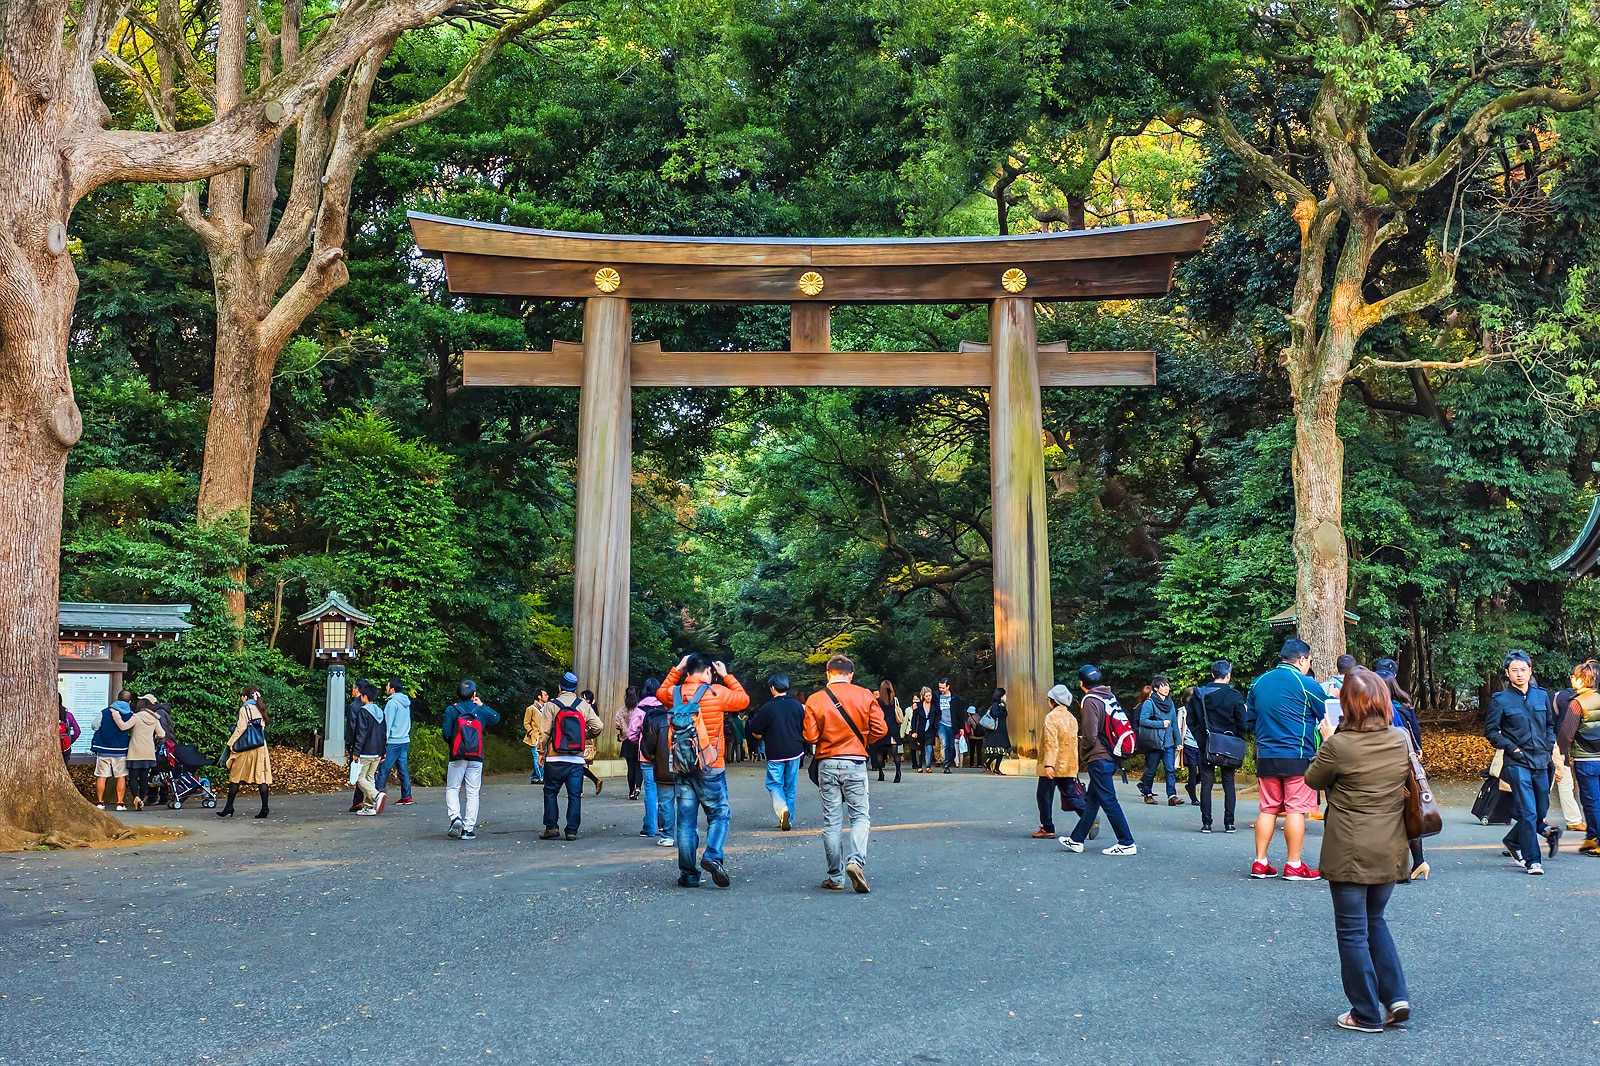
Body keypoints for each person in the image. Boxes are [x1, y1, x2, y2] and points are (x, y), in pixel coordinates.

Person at [1304, 667, 1413, 1033]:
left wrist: (1327, 736)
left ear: (1347, 705)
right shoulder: (1400, 739)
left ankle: (1365, 1013)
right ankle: (1396, 997)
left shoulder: (1339, 745)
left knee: (1352, 931)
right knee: (1375, 920)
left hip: (1349, 849)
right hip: (1390, 847)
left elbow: (1312, 779)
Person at [656, 654, 749, 887]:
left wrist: (676, 669)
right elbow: (743, 700)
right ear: (708, 671)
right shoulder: (716, 692)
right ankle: (712, 856)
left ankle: (688, 875)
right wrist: (726, 675)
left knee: (686, 822)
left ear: (687, 671)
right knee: (719, 814)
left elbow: (660, 692)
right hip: (711, 766)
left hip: (682, 766)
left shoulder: (674, 694)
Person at [1244, 638, 1327, 880]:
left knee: (1268, 808)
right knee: (1296, 809)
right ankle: (1294, 864)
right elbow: (1326, 715)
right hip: (1297, 756)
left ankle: (1260, 862)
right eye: (1309, 660)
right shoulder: (1306, 684)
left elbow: (1250, 721)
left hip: (1266, 756)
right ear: (1302, 660)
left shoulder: (1258, 683)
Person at [804, 654, 887, 892]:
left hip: (827, 762)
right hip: (855, 761)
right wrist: (861, 740)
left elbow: (809, 737)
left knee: (832, 821)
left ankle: (835, 877)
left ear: (828, 673)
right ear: (851, 674)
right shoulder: (865, 695)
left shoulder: (815, 699)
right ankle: (856, 862)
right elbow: (880, 728)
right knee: (860, 816)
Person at [1485, 650, 1561, 874]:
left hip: (1542, 761)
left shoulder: (1541, 696)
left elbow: (1549, 725)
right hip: (1517, 762)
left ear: (1530, 671)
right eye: (1515, 670)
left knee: (1539, 811)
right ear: (1507, 673)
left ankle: (1513, 840)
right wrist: (1513, 748)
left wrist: (1549, 744)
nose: (1520, 674)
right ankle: (1533, 860)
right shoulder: (1501, 700)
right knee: (1528, 812)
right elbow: (1491, 731)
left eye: (1523, 670)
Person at [1060, 664, 1137, 856]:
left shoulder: (1090, 700)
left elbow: (1090, 734)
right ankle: (1076, 839)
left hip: (1099, 757)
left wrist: (1083, 751)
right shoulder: (1108, 696)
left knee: (1109, 801)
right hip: (1110, 755)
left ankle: (1126, 842)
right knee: (1092, 800)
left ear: (1081, 683)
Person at [538, 673, 602, 840]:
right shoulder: (583, 705)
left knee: (550, 792)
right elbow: (598, 726)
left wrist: (540, 752)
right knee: (574, 795)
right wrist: (584, 735)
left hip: (554, 757)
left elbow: (544, 732)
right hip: (576, 760)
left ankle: (551, 827)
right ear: (575, 689)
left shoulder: (551, 706)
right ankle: (572, 830)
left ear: (560, 687)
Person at [1188, 660, 1247, 834]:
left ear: (1213, 674)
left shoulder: (1199, 695)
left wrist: (1201, 738)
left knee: (1207, 783)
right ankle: (1229, 823)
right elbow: (1242, 723)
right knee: (1229, 782)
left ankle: (1207, 823)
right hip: (1229, 743)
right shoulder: (1234, 695)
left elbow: (1190, 721)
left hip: (1207, 743)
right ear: (1228, 675)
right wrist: (1237, 738)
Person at [443, 680, 500, 840]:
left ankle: (455, 818)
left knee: (453, 788)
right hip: (476, 755)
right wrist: (482, 705)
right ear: (474, 694)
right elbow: (496, 718)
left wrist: (454, 744)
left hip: (457, 756)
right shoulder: (480, 710)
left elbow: (446, 733)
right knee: (473, 792)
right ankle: (468, 829)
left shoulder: (452, 709)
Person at [747, 675, 806, 829]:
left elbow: (754, 728)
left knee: (774, 783)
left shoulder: (768, 708)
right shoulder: (797, 706)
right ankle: (789, 819)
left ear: (772, 688)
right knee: (790, 787)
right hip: (795, 750)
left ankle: (782, 810)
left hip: (775, 752)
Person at [1559, 659, 1600, 857]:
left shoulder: (1577, 704)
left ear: (1582, 681)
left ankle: (1598, 840)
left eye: (1574, 677)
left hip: (1586, 758)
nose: (1571, 679)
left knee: (1591, 801)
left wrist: (1559, 754)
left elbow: (1566, 734)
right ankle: (1592, 837)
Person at [1033, 684, 1080, 838]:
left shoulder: (1051, 717)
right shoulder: (1071, 718)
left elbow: (1051, 742)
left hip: (1052, 765)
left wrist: (1048, 764)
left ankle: (1047, 827)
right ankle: (1088, 818)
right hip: (1069, 764)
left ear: (1053, 701)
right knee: (1070, 795)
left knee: (1044, 796)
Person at [218, 688, 272, 819]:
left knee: (235, 775)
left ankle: (229, 806)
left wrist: (231, 744)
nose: (241, 699)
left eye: (242, 696)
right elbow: (262, 726)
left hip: (246, 747)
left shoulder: (244, 709)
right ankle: (265, 807)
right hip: (259, 746)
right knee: (261, 777)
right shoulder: (260, 708)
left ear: (245, 697)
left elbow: (240, 728)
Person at [636, 677, 676, 845]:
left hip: (656, 761)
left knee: (661, 797)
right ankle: (687, 833)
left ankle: (661, 832)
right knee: (684, 799)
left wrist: (651, 755)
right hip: (681, 763)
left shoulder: (649, 716)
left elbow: (640, 740)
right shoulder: (685, 717)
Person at [1551, 672, 1590, 832]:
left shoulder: (1561, 695)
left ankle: (1573, 819)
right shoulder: (1571, 700)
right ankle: (1572, 820)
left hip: (1549, 741)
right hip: (1554, 743)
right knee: (1558, 779)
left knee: (1556, 780)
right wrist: (1561, 753)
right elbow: (1563, 730)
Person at [1137, 675, 1181, 805]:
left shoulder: (1170, 703)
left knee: (1170, 769)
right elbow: (1143, 721)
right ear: (1156, 688)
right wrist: (1160, 724)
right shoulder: (1149, 703)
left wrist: (1178, 741)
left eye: (1167, 685)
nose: (1166, 688)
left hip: (1168, 743)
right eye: (1163, 686)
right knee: (1151, 769)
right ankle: (1148, 793)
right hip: (1154, 742)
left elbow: (1174, 723)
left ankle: (1172, 796)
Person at [348, 681, 387, 815]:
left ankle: (376, 795)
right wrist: (383, 752)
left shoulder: (363, 712)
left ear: (364, 696)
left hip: (365, 751)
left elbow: (361, 733)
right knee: (370, 778)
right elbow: (384, 734)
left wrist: (356, 751)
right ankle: (369, 807)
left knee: (360, 779)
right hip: (377, 752)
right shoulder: (380, 712)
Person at [90, 696, 133, 810]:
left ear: (117, 698)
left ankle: (100, 802)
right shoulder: (131, 715)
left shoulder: (104, 712)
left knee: (101, 776)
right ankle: (120, 803)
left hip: (103, 748)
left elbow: (94, 726)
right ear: (130, 702)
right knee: (121, 777)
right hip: (121, 750)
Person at [123, 697, 165, 812]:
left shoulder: (136, 717)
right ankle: (142, 799)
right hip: (148, 752)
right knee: (144, 778)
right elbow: (162, 734)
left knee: (133, 777)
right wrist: (154, 737)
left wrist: (116, 716)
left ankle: (136, 798)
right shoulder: (155, 719)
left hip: (135, 751)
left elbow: (124, 727)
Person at [376, 678, 413, 807]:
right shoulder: (406, 702)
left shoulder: (392, 704)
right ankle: (406, 796)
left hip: (393, 741)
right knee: (403, 770)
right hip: (404, 740)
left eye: (387, 686)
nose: (385, 688)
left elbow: (386, 724)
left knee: (383, 769)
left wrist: (382, 743)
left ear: (392, 689)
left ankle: (378, 797)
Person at [868, 681, 902, 783]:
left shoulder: (877, 702)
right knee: (895, 753)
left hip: (881, 730)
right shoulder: (894, 700)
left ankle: (880, 773)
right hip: (893, 730)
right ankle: (898, 772)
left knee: (879, 752)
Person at [616, 686, 643, 800]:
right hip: (638, 740)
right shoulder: (640, 709)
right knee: (638, 767)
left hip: (627, 741)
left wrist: (622, 731)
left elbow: (617, 723)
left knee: (630, 768)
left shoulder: (622, 710)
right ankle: (638, 787)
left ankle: (631, 791)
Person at [578, 690, 605, 795]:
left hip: (584, 740)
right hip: (588, 739)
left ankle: (582, 789)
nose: (580, 699)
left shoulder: (587, 709)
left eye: (583, 697)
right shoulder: (590, 708)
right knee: (581, 766)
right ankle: (591, 783)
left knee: (579, 766)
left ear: (588, 700)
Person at [933, 679, 962, 773]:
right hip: (941, 724)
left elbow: (960, 713)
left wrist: (961, 727)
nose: (941, 689)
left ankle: (948, 762)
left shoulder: (955, 698)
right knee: (943, 743)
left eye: (943, 687)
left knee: (951, 747)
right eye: (939, 687)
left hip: (952, 725)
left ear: (948, 687)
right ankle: (945, 764)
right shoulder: (936, 696)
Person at [981, 688, 1011, 774]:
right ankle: (988, 762)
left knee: (1001, 751)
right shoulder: (995, 704)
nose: (1005, 697)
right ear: (1001, 696)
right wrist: (1001, 708)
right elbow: (995, 714)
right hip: (996, 731)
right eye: (1004, 695)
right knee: (997, 751)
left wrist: (1003, 707)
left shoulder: (1002, 704)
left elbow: (1005, 715)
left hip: (1002, 730)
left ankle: (997, 768)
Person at [523, 687, 549, 784]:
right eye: (545, 695)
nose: (547, 696)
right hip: (535, 736)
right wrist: (531, 731)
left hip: (544, 736)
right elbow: (526, 722)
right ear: (539, 696)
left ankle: (534, 777)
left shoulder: (547, 708)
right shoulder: (531, 709)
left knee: (542, 757)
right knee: (536, 756)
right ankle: (541, 776)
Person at [913, 687, 937, 772]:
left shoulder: (934, 707)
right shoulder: (918, 706)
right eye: (926, 696)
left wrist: (935, 729)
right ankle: (919, 766)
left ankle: (928, 766)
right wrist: (914, 732)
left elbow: (936, 718)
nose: (928, 697)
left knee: (929, 748)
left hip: (930, 730)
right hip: (920, 730)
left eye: (930, 695)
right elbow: (914, 719)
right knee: (919, 749)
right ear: (923, 696)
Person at [58, 697, 80, 766]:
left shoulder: (46, 715)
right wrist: (70, 740)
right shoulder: (68, 715)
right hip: (65, 746)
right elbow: (77, 731)